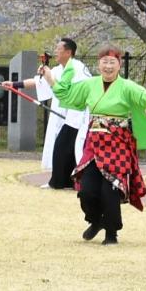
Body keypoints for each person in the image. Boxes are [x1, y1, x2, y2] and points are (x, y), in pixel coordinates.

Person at [19, 47, 146, 244]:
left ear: (119, 65)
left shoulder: (127, 86)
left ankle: (111, 233)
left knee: (110, 188)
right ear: (99, 65)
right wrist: (50, 78)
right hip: (94, 142)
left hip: (117, 143)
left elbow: (143, 97)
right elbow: (68, 95)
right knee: (86, 189)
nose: (108, 66)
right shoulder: (89, 85)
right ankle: (96, 220)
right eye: (104, 62)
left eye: (112, 62)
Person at [37, 38, 91, 190]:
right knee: (66, 146)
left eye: (58, 49)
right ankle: (66, 180)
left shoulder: (74, 68)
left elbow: (61, 90)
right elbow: (39, 82)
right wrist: (16, 85)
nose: (55, 51)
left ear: (68, 52)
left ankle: (64, 181)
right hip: (73, 112)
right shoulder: (65, 68)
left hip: (79, 112)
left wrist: (48, 77)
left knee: (65, 146)